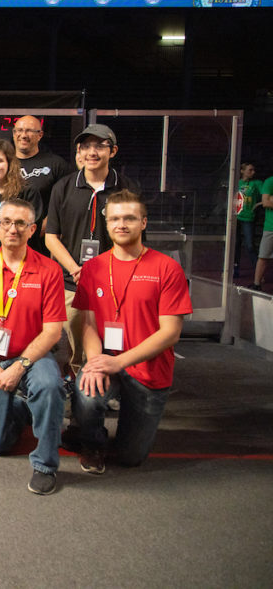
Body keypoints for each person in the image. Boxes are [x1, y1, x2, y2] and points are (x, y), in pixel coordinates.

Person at [71, 191, 192, 473]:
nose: (121, 224)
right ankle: (92, 442)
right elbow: (87, 323)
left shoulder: (167, 268)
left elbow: (170, 332)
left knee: (130, 458)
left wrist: (119, 361)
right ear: (107, 224)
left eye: (129, 218)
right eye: (114, 218)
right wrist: (95, 362)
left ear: (143, 223)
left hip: (148, 370)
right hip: (108, 360)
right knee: (86, 393)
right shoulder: (93, 268)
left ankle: (121, 437)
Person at [0, 199, 66, 495]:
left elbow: (52, 331)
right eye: (6, 222)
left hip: (31, 357)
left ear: (32, 230)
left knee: (50, 385)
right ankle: (26, 408)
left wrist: (19, 367)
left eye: (20, 224)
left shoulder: (49, 271)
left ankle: (45, 464)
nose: (12, 229)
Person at [45, 123, 138, 375]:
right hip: (73, 280)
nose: (92, 152)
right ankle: (80, 387)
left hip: (114, 281)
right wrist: (76, 269)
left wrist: (106, 271)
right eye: (86, 146)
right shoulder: (63, 188)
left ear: (113, 150)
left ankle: (110, 386)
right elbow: (51, 237)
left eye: (100, 146)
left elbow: (134, 239)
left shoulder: (126, 189)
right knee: (76, 344)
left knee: (113, 340)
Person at [11, 114, 72, 225]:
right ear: (14, 134)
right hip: (10, 233)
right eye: (19, 130)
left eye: (29, 131)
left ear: (40, 135)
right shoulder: (4, 164)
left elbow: (68, 200)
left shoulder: (56, 164)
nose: (23, 135)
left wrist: (48, 225)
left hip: (44, 235)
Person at [234, 162, 262, 279]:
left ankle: (258, 272)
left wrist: (259, 204)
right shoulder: (237, 183)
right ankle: (234, 269)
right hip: (236, 217)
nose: (252, 172)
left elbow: (266, 194)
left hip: (248, 218)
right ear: (242, 171)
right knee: (235, 244)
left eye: (253, 170)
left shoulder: (256, 183)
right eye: (250, 170)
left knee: (250, 245)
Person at [253, 172, 273, 291]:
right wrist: (268, 200)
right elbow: (265, 202)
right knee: (263, 256)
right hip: (270, 227)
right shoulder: (270, 181)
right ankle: (257, 284)